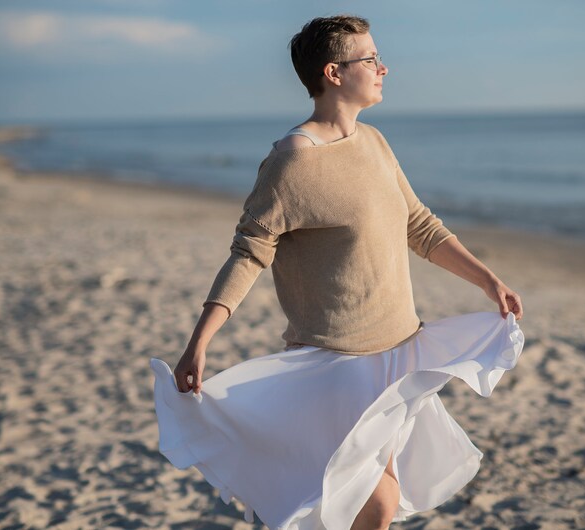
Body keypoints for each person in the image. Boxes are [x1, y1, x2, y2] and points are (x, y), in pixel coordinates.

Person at [150, 14, 525, 530]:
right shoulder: (291, 163)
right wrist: (199, 342)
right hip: (336, 368)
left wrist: (488, 280)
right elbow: (248, 254)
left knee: (364, 501)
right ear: (334, 72)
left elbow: (420, 226)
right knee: (375, 503)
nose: (383, 67)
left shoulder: (374, 142)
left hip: (397, 356)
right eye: (370, 58)